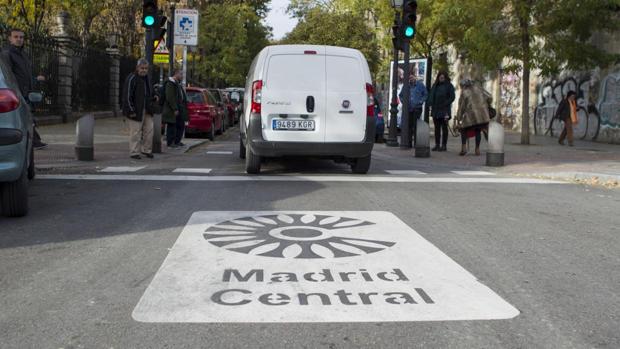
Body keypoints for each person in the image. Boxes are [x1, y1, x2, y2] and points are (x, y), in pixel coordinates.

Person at [1, 28, 47, 149]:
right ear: (10, 38)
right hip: (16, 92)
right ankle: (34, 142)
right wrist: (14, 90)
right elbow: (8, 74)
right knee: (25, 117)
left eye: (21, 37)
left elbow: (24, 74)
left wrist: (36, 79)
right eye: (16, 37)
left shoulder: (23, 54)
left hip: (26, 91)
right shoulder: (7, 53)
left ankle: (34, 141)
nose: (19, 39)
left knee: (28, 116)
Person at [121, 58, 156, 159]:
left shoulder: (147, 79)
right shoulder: (132, 78)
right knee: (135, 132)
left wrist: (155, 96)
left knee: (149, 131)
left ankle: (146, 150)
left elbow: (150, 92)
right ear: (137, 68)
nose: (144, 70)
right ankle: (134, 152)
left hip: (147, 109)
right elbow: (127, 95)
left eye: (146, 68)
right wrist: (131, 110)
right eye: (142, 68)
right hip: (136, 110)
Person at [455, 79, 491, 156]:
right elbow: (489, 96)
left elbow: (462, 107)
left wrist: (459, 117)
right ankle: (477, 149)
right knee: (478, 130)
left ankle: (463, 148)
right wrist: (486, 104)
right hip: (482, 115)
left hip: (471, 115)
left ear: (463, 86)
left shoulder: (464, 93)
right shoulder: (479, 89)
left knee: (463, 130)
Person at [427, 71, 455, 152]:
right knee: (437, 128)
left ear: (445, 78)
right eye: (440, 77)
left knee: (444, 128)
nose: (441, 78)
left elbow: (452, 97)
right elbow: (431, 96)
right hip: (436, 109)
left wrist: (445, 103)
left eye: (442, 77)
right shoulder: (435, 86)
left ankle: (444, 145)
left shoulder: (449, 86)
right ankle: (437, 145)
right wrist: (430, 103)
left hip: (445, 109)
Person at [162, 69, 189, 148]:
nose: (182, 76)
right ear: (176, 74)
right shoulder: (170, 83)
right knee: (172, 125)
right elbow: (170, 97)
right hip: (172, 109)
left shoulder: (177, 83)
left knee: (180, 124)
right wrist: (175, 108)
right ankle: (170, 142)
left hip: (179, 108)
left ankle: (177, 141)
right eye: (181, 74)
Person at [399, 72, 427, 146]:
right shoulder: (406, 86)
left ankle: (416, 143)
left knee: (416, 126)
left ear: (415, 77)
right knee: (409, 126)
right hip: (408, 109)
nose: (411, 79)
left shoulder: (420, 85)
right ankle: (409, 142)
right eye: (409, 78)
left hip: (417, 108)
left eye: (412, 77)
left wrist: (420, 101)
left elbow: (425, 94)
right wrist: (404, 103)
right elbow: (401, 95)